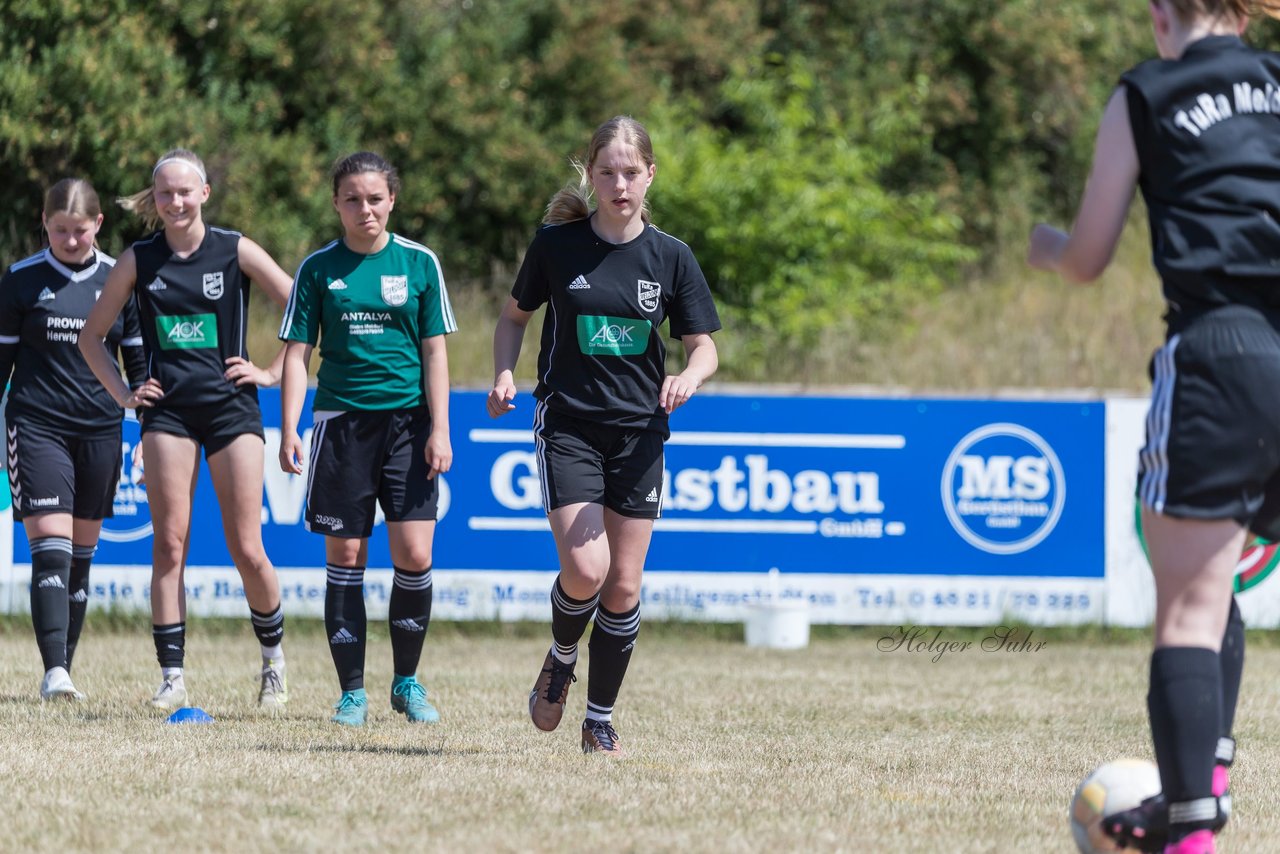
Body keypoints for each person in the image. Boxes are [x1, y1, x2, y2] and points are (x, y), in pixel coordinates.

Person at [1027, 3, 1280, 851]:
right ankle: (1200, 787)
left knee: (1192, 609)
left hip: (1222, 355)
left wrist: (1048, 245)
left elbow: (1091, 256)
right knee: (1222, 591)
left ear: (1162, 12)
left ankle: (1189, 833)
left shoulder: (1149, 90)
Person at [487, 116, 721, 756]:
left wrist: (689, 378)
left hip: (640, 432)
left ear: (651, 176)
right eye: (607, 172)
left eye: (631, 172)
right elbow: (513, 320)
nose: (620, 184)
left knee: (622, 584)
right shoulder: (557, 246)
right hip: (568, 424)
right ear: (590, 176)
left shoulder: (672, 257)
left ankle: (599, 719)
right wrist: (505, 372)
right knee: (586, 570)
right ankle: (562, 656)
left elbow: (703, 349)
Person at [79, 149, 294, 712]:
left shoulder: (233, 248)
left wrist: (270, 371)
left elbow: (303, 305)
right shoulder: (138, 259)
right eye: (165, 193)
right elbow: (90, 337)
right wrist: (125, 394)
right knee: (170, 543)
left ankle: (273, 662)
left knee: (247, 547)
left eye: (185, 191)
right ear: (155, 200)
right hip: (166, 413)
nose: (175, 201)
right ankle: (172, 677)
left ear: (204, 193)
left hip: (231, 410)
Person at [278, 151, 456, 727]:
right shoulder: (317, 269)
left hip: (410, 426)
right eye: (352, 199)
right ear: (336, 203)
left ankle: (406, 682)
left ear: (392, 200)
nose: (364, 209)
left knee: (415, 554)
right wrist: (289, 426)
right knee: (347, 555)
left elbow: (435, 352)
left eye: (374, 198)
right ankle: (351, 691)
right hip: (341, 427)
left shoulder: (420, 263)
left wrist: (441, 429)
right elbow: (298, 356)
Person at [0, 178, 147, 701]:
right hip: (36, 426)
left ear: (98, 226)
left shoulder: (119, 279)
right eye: (59, 229)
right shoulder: (20, 280)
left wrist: (150, 431)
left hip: (101, 430)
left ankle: (65, 667)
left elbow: (138, 364)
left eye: (79, 231)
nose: (69, 240)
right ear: (44, 223)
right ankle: (54, 672)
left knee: (82, 556)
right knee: (52, 551)